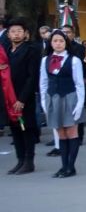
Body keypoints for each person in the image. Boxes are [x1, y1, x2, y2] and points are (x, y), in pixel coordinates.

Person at [39, 29, 86, 178]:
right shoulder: (45, 60)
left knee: (71, 132)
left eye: (61, 41)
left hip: (70, 97)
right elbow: (43, 82)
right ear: (50, 43)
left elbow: (79, 84)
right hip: (53, 98)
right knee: (61, 133)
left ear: (66, 43)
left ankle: (71, 166)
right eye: (55, 41)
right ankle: (63, 165)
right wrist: (43, 101)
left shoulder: (74, 60)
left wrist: (79, 104)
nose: (58, 44)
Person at [5, 20, 42, 175]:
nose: (16, 34)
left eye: (19, 31)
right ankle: (20, 160)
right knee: (15, 129)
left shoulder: (31, 49)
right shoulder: (6, 51)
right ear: (8, 34)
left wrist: (22, 99)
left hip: (23, 97)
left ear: (25, 33)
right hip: (9, 96)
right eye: (13, 31)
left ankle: (29, 161)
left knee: (26, 128)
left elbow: (32, 77)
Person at [61, 25, 86, 144]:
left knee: (77, 109)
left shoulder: (79, 48)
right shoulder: (58, 48)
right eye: (63, 32)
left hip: (75, 82)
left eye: (68, 32)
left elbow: (78, 62)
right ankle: (62, 135)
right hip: (62, 83)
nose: (66, 34)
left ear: (73, 34)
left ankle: (79, 136)